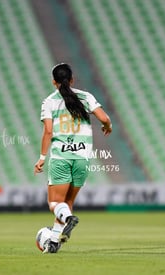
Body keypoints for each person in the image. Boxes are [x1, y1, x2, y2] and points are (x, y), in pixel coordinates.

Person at [34, 63, 112, 253]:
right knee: (66, 203)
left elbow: (48, 131)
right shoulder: (86, 97)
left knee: (54, 203)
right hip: (82, 158)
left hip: (61, 157)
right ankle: (53, 242)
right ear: (72, 80)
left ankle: (68, 220)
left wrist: (42, 157)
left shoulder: (50, 102)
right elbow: (104, 118)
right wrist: (107, 127)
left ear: (54, 81)